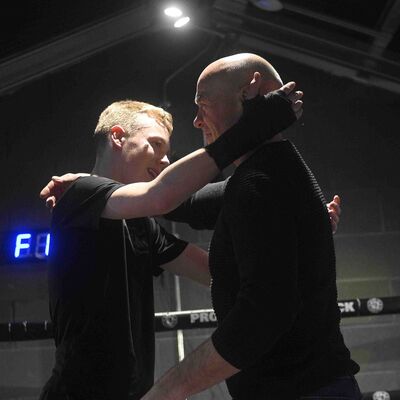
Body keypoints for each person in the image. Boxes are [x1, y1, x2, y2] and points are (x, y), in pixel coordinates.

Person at [38, 84, 302, 400]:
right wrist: (252, 129)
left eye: (167, 155)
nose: (164, 163)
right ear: (118, 137)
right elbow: (161, 195)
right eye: (155, 145)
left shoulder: (139, 224)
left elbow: (218, 272)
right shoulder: (79, 193)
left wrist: (296, 236)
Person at [137, 54, 362, 400]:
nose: (197, 121)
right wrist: (103, 185)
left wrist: (166, 390)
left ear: (251, 91)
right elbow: (180, 202)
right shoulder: (264, 173)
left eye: (204, 105)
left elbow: (261, 316)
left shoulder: (259, 184)